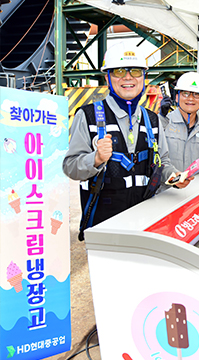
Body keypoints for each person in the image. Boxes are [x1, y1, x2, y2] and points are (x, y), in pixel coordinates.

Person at [63, 42, 191, 238]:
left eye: (136, 71)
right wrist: (96, 159)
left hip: (145, 218)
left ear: (144, 77)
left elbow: (162, 162)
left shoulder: (152, 119)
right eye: (120, 71)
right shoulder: (87, 116)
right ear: (107, 78)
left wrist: (174, 176)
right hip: (103, 223)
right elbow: (70, 167)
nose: (128, 77)